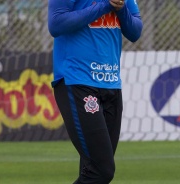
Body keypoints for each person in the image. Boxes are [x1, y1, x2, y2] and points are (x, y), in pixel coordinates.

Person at [48, 0, 142, 183]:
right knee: (102, 170)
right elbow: (56, 23)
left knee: (93, 170)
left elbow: (135, 31)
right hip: (76, 80)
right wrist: (105, 6)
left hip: (111, 83)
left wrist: (120, 8)